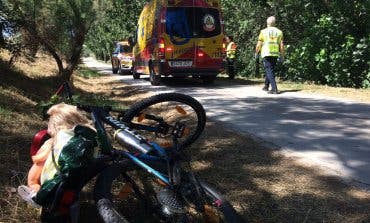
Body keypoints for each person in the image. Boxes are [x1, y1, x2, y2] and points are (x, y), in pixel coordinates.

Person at [17, 103, 96, 222]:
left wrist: (38, 194)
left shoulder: (51, 144)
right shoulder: (86, 142)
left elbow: (32, 179)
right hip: (72, 194)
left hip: (53, 198)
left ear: (53, 125)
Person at [255, 16, 285, 94]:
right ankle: (266, 86)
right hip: (275, 54)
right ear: (275, 23)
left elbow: (259, 44)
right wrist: (282, 55)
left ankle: (274, 89)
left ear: (267, 23)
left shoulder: (263, 31)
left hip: (266, 53)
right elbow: (281, 45)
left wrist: (256, 53)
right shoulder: (279, 32)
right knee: (270, 70)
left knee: (269, 70)